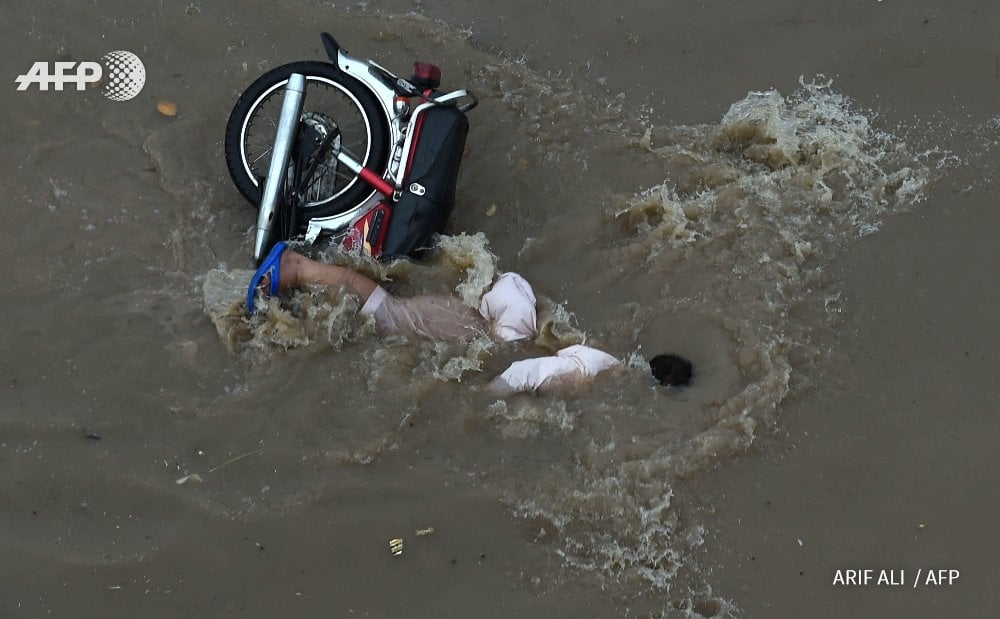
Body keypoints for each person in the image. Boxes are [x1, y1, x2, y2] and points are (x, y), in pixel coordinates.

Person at [248, 242, 692, 393]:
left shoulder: (611, 363)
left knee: (391, 311)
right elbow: (524, 371)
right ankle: (298, 267)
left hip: (499, 309)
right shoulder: (594, 378)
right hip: (494, 333)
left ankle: (303, 270)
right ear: (663, 390)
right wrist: (481, 401)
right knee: (387, 314)